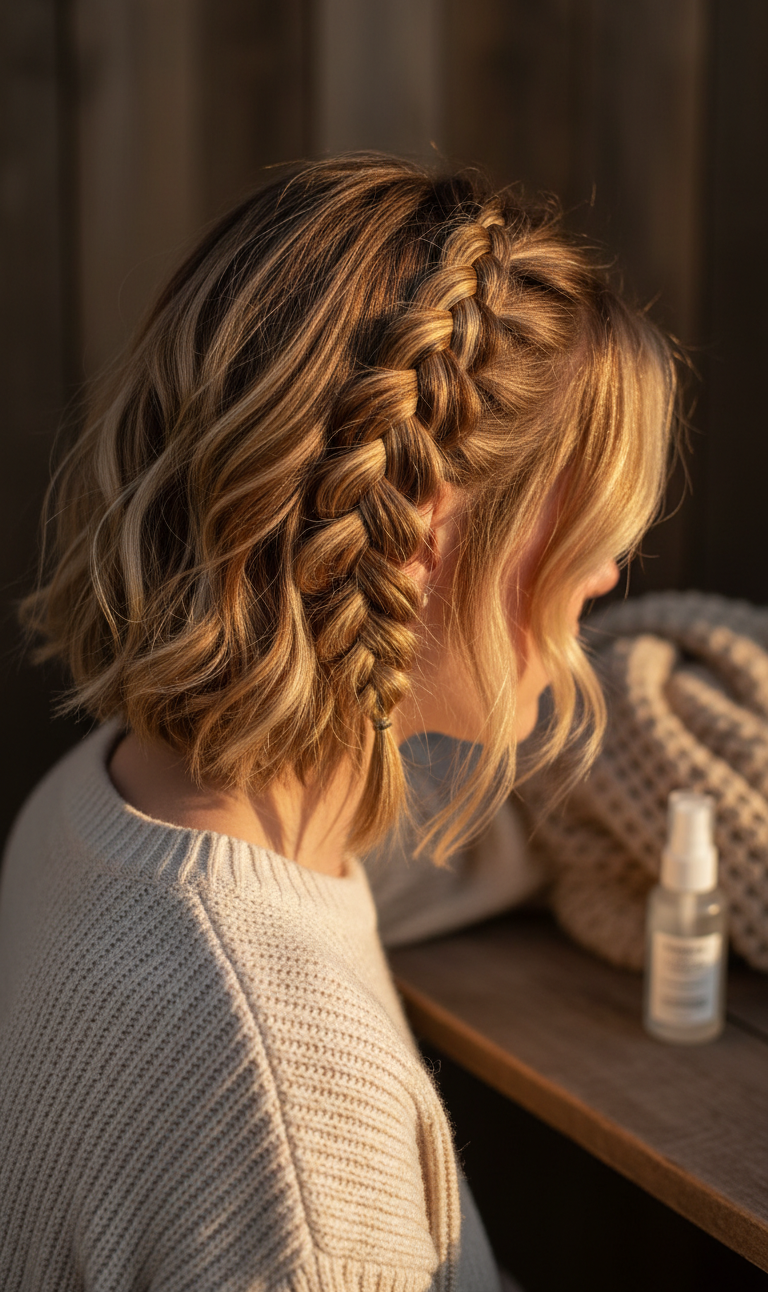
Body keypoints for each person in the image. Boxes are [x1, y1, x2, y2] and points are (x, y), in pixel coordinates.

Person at [0, 155, 677, 1290]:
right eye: (592, 519)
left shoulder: (101, 799)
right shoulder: (295, 1123)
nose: (611, 572)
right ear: (420, 537)